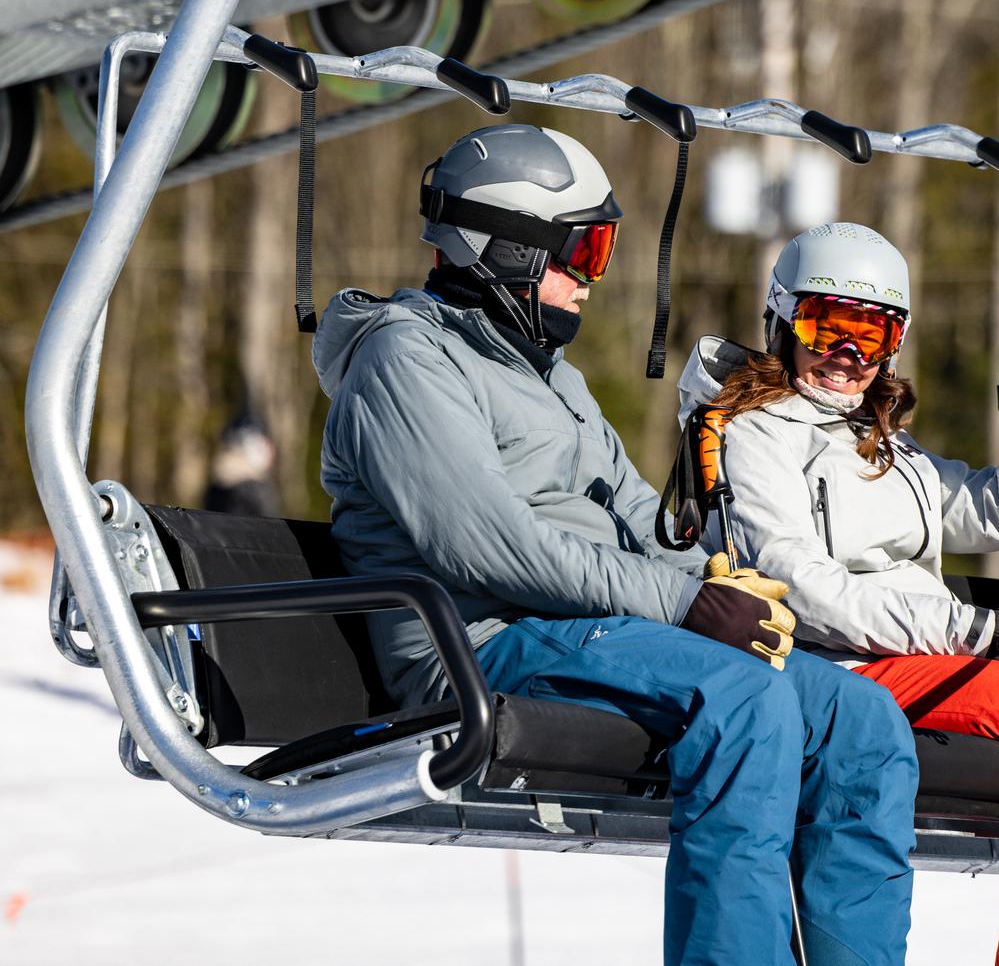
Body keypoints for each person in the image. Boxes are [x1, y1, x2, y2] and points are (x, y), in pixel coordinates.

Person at [315, 126, 917, 966]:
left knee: (863, 720)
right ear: (506, 248)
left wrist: (719, 581)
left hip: (594, 631)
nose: (592, 279)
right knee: (745, 702)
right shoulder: (403, 359)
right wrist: (685, 602)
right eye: (582, 251)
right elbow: (490, 545)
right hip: (483, 642)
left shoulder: (549, 374)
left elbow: (637, 511)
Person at [678, 222, 999, 966]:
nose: (848, 354)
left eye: (872, 332)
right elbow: (796, 582)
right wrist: (968, 626)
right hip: (842, 666)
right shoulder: (750, 432)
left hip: (924, 653)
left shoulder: (883, 445)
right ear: (783, 321)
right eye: (827, 326)